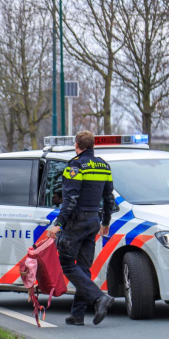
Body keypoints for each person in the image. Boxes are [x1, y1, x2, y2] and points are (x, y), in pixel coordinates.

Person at [46, 131, 115, 326]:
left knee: (67, 264)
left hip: (76, 223)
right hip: (94, 220)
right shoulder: (104, 165)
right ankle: (77, 315)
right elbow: (109, 198)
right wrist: (106, 223)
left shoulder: (75, 165)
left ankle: (99, 298)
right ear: (92, 146)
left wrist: (58, 224)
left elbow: (70, 200)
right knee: (83, 268)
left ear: (77, 145)